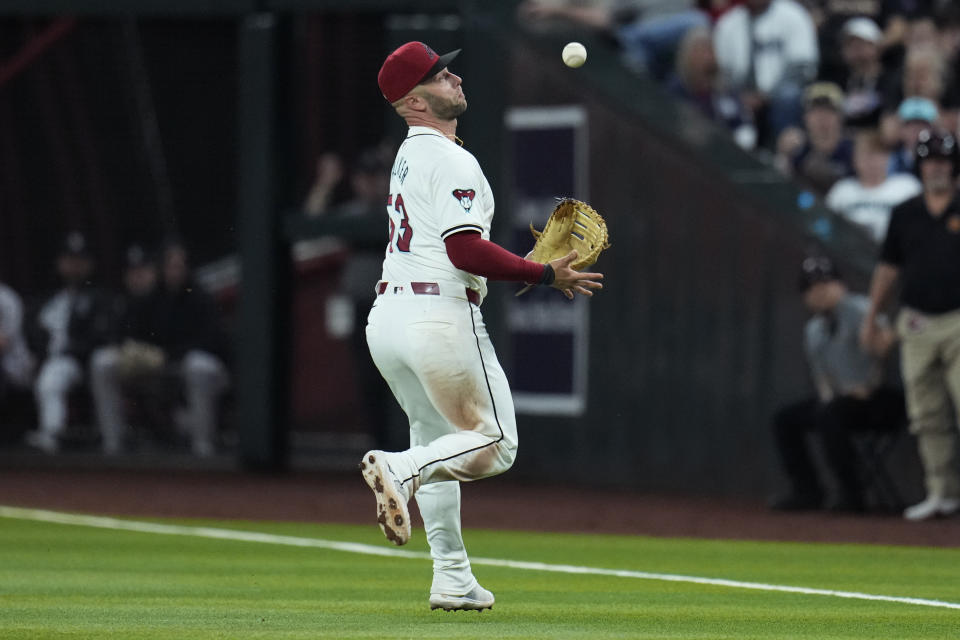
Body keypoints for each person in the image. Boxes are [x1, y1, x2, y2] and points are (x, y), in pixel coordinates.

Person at [360, 41, 604, 612]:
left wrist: (520, 268)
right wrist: (543, 273)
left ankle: (452, 578)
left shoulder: (409, 153)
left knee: (439, 439)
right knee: (496, 443)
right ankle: (399, 468)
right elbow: (465, 250)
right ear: (415, 100)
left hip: (389, 318)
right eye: (440, 75)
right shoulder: (450, 159)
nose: (455, 76)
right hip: (437, 316)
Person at [861, 127, 960, 521]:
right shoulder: (905, 213)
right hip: (916, 321)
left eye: (944, 162)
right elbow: (888, 268)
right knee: (925, 413)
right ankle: (942, 491)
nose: (936, 168)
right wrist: (872, 316)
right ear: (920, 166)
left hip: (958, 320)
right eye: (930, 161)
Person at [771, 255, 904, 512]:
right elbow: (824, 379)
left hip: (879, 399)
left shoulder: (863, 310)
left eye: (826, 284)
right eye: (811, 287)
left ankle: (852, 494)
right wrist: (832, 397)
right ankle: (808, 491)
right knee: (785, 419)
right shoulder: (814, 330)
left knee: (832, 414)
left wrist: (865, 387)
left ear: (841, 285)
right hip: (841, 400)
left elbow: (882, 352)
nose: (819, 292)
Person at [89, 241, 230, 457]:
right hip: (158, 371)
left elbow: (211, 342)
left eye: (179, 265)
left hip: (199, 371)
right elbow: (127, 334)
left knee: (198, 366)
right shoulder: (151, 297)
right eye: (170, 265)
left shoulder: (201, 297)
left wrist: (167, 355)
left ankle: (203, 447)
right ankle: (113, 444)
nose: (174, 271)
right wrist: (135, 352)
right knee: (103, 362)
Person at [23, 231, 114, 454]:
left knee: (51, 380)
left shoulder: (99, 297)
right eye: (69, 260)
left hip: (78, 362)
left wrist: (68, 349)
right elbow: (31, 330)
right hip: (42, 359)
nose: (74, 266)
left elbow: (101, 336)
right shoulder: (47, 299)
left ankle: (51, 436)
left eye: (79, 261)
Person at [713, 0, 819, 147]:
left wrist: (767, 95)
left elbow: (802, 67)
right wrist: (740, 95)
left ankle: (784, 155)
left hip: (780, 93)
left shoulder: (793, 14)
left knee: (788, 96)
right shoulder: (728, 23)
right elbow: (723, 72)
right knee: (724, 102)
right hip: (742, 95)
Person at [88, 244, 161, 454]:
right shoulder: (120, 301)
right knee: (102, 361)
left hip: (164, 363)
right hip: (131, 366)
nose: (137, 276)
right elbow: (111, 337)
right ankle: (113, 442)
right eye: (132, 272)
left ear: (153, 271)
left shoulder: (165, 296)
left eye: (142, 271)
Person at [517, 0, 710, 79]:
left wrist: (559, 11)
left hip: (630, 39)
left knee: (698, 21)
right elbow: (530, 16)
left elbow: (604, 20)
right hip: (605, 55)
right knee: (634, 54)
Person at [666, 25, 757, 150]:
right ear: (688, 57)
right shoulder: (676, 89)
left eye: (711, 50)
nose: (708, 57)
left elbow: (742, 123)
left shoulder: (723, 88)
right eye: (702, 51)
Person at [825, 129, 922, 242]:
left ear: (888, 158)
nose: (872, 162)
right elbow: (827, 229)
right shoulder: (841, 190)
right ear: (855, 159)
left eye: (878, 155)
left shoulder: (908, 187)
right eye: (866, 155)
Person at [775, 82, 855, 194]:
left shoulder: (853, 150)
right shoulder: (797, 149)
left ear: (840, 116)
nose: (822, 118)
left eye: (829, 111)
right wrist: (783, 155)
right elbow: (781, 188)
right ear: (805, 116)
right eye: (816, 111)